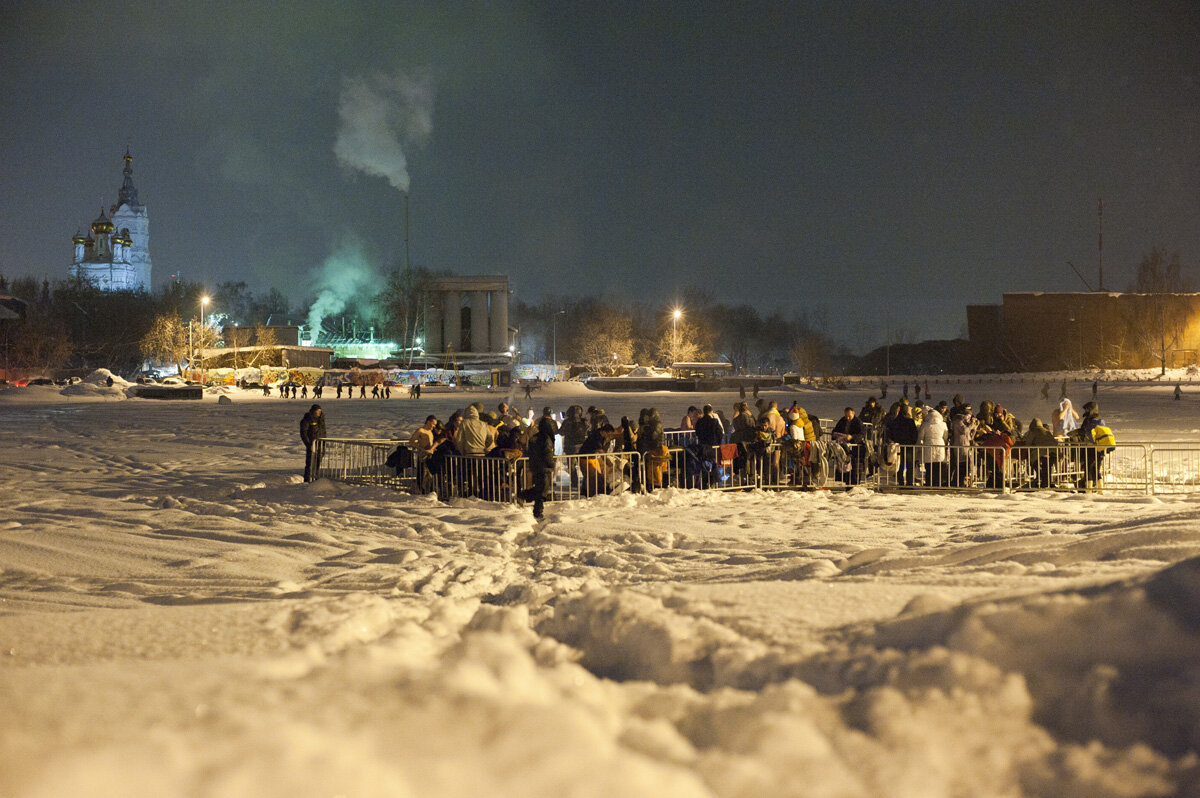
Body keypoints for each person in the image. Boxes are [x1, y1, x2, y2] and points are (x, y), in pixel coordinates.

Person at [526, 416, 556, 518]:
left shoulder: (534, 438)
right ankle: (536, 509)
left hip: (535, 466)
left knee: (540, 488)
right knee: (542, 490)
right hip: (544, 467)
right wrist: (552, 464)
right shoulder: (546, 439)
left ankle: (537, 508)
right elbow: (547, 453)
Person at [917, 406, 949, 487]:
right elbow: (945, 436)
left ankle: (929, 483)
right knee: (938, 467)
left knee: (929, 467)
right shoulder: (943, 424)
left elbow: (920, 436)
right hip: (940, 445)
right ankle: (938, 483)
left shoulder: (925, 424)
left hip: (928, 445)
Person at [300, 404, 326, 482]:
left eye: (319, 411)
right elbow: (303, 433)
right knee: (310, 464)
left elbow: (323, 432)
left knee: (317, 464)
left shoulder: (321, 420)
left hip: (320, 445)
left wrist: (323, 444)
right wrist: (308, 444)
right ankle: (308, 480)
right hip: (312, 445)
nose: (318, 413)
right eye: (317, 411)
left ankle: (315, 478)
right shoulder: (307, 419)